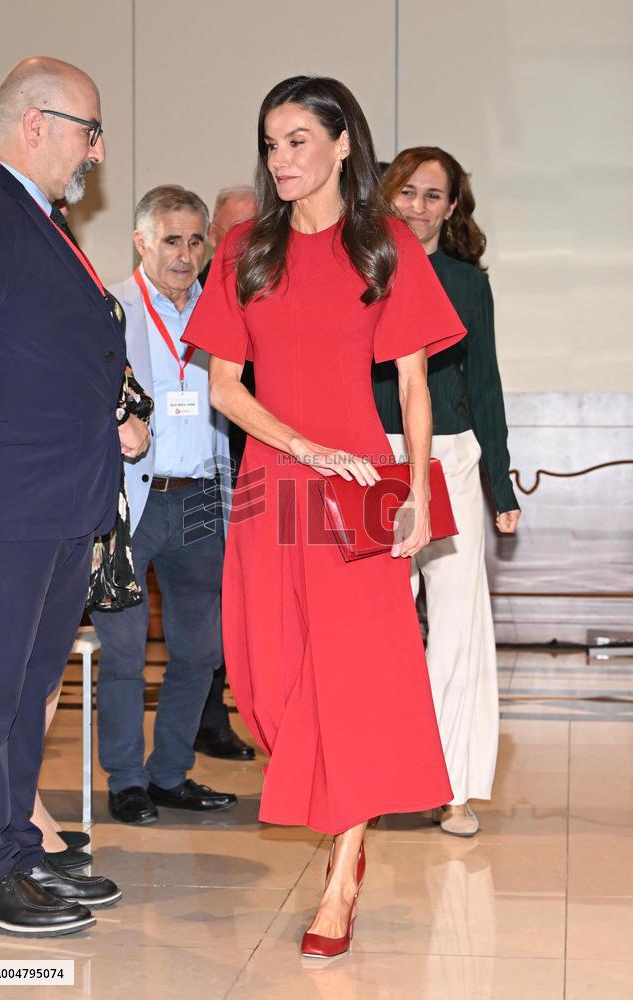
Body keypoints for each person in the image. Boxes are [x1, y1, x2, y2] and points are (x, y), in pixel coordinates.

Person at [183, 75, 465, 958]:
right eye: (271, 143)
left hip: (358, 491)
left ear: (344, 145)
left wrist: (414, 491)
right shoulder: (244, 250)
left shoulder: (383, 247)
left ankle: (343, 872)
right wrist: (301, 447)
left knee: (354, 679)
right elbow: (224, 386)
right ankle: (334, 819)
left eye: (298, 140)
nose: (282, 159)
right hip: (276, 481)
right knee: (267, 681)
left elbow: (415, 385)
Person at [0, 56, 149, 937]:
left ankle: (10, 847)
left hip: (53, 505)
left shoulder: (40, 222)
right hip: (1, 508)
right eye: (88, 130)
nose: (97, 149)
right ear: (33, 125)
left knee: (27, 683)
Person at [374, 147, 521, 837]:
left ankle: (454, 788)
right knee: (377, 623)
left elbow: (484, 383)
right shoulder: (361, 271)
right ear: (387, 195)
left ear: (452, 208)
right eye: (407, 192)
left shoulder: (467, 283)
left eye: (434, 196)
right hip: (379, 463)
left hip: (455, 459)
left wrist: (501, 483)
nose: (418, 207)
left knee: (460, 625)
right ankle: (373, 778)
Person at [90, 185, 237, 826]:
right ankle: (126, 779)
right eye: (170, 240)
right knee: (122, 653)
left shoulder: (225, 311)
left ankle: (171, 772)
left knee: (200, 650)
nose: (184, 254)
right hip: (129, 503)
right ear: (141, 240)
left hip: (203, 496)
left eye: (195, 240)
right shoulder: (108, 310)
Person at [194, 185, 258, 762]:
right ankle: (209, 719)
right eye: (231, 229)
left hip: (261, 469)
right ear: (217, 234)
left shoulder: (267, 283)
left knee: (252, 595)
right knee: (211, 594)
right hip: (207, 474)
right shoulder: (198, 293)